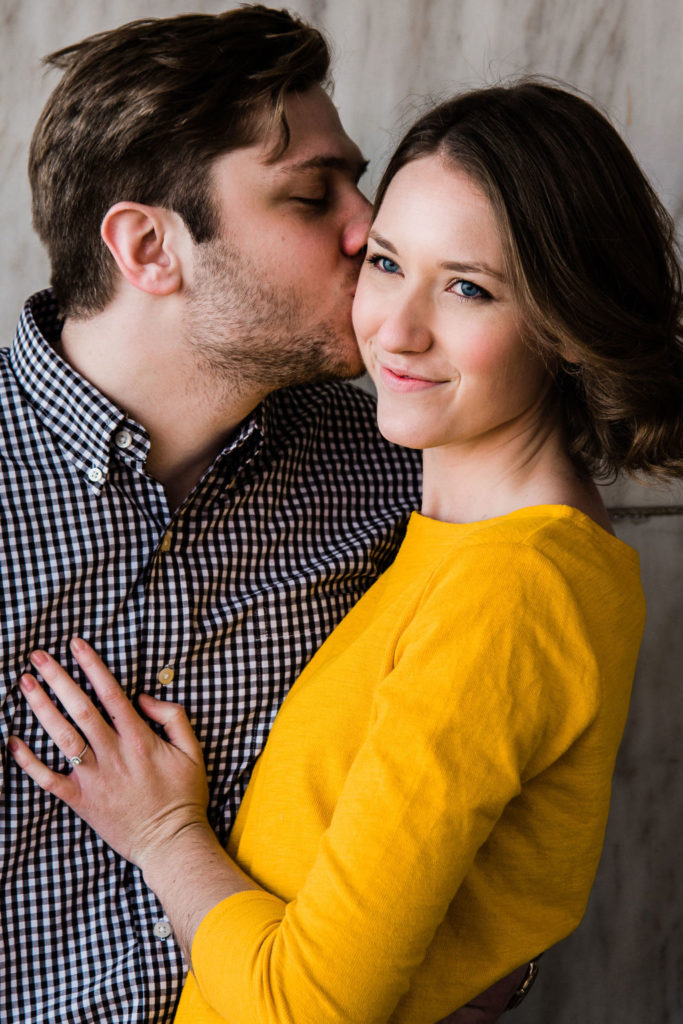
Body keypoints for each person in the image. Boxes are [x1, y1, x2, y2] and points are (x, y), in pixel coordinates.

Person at [11, 80, 683, 1022]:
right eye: (385, 263)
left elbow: (309, 1013)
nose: (394, 331)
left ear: (566, 321)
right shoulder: (433, 529)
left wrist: (165, 836)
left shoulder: (513, 586)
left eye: (467, 287)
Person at [0, 8, 421, 1023]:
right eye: (312, 194)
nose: (369, 228)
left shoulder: (388, 472)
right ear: (149, 245)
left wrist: (487, 970)